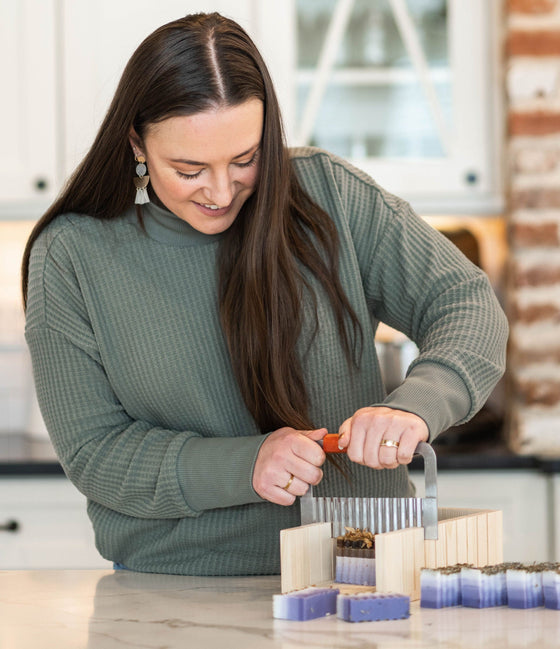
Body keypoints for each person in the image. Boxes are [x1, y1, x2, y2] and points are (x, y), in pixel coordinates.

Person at [21, 12, 508, 576]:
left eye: (245, 160)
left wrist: (417, 406)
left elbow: (466, 303)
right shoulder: (73, 256)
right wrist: (245, 464)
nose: (222, 191)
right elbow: (94, 453)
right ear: (137, 144)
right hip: (179, 595)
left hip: (364, 576)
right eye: (189, 168)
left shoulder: (328, 195)